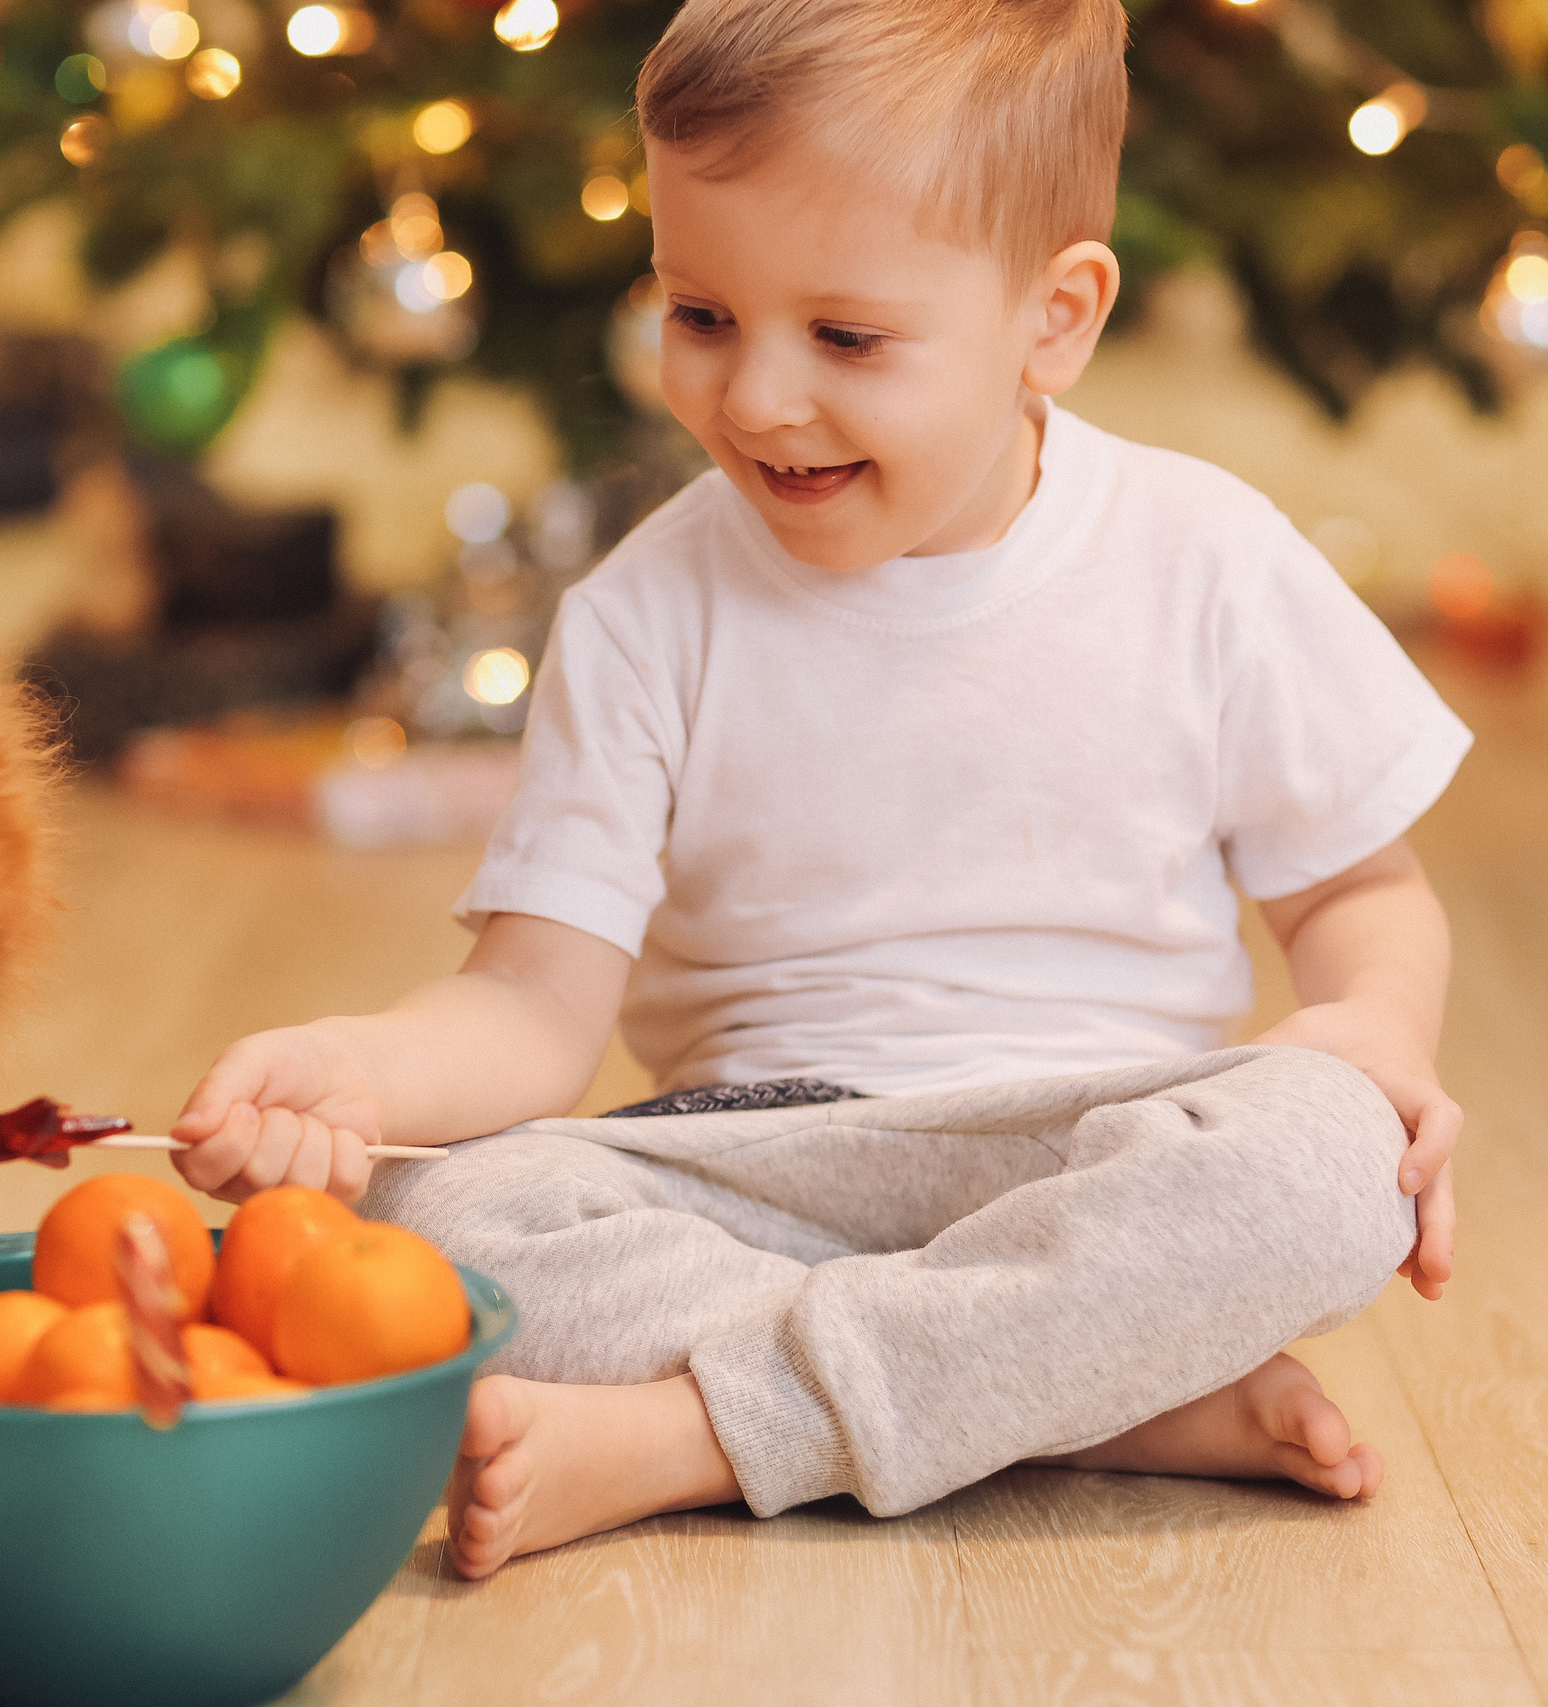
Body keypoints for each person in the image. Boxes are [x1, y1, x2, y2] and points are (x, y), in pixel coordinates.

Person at [171, 0, 1470, 1580]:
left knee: (1327, 1169)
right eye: (701, 314)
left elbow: (1358, 895)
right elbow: (529, 1008)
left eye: (846, 339)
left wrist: (1370, 1034)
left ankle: (686, 1439)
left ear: (1053, 318)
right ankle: (1079, 1393)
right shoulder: (643, 617)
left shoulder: (1208, 560)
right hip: (755, 1163)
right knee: (444, 1227)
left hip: (1091, 1148)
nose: (758, 398)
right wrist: (354, 1073)